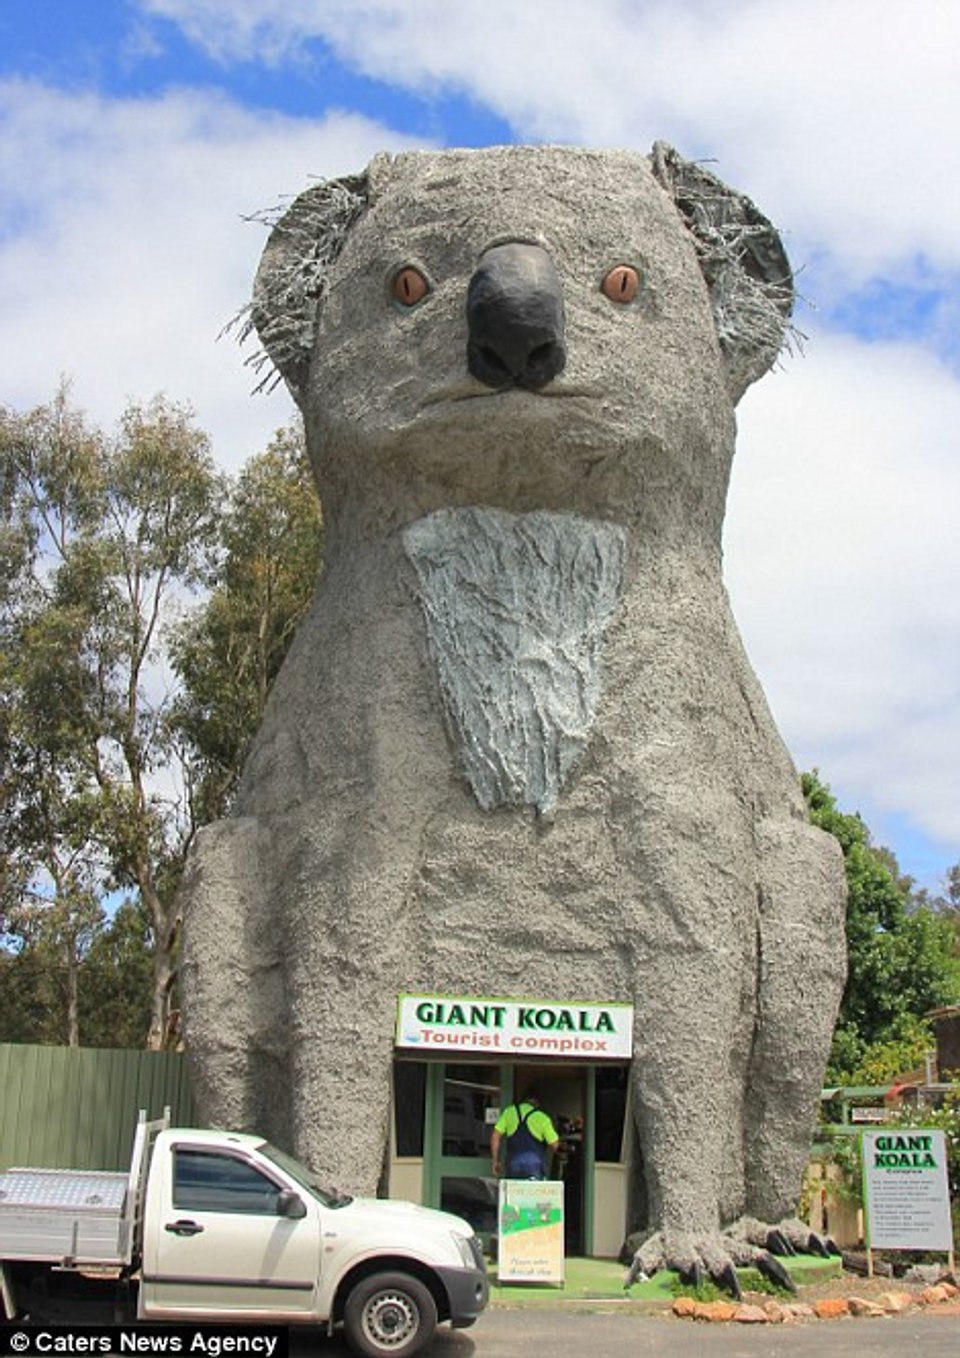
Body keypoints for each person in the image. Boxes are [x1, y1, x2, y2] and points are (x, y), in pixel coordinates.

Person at [490, 1089, 559, 1180]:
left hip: (513, 1164)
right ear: (537, 1103)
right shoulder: (542, 1118)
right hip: (535, 1165)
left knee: (514, 1193)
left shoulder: (509, 1112)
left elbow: (495, 1136)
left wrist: (495, 1160)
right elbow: (554, 1145)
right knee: (533, 1193)